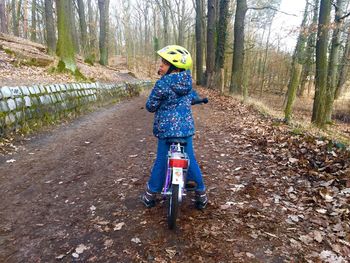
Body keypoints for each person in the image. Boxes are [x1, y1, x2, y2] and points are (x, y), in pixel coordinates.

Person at [140, 45, 208, 210]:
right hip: (185, 131)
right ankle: (201, 194)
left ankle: (150, 195)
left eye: (164, 63)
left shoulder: (162, 85)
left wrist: (155, 103)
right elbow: (192, 96)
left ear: (173, 67)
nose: (160, 66)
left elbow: (150, 106)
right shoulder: (187, 83)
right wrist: (197, 99)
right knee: (190, 160)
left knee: (162, 161)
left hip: (166, 131)